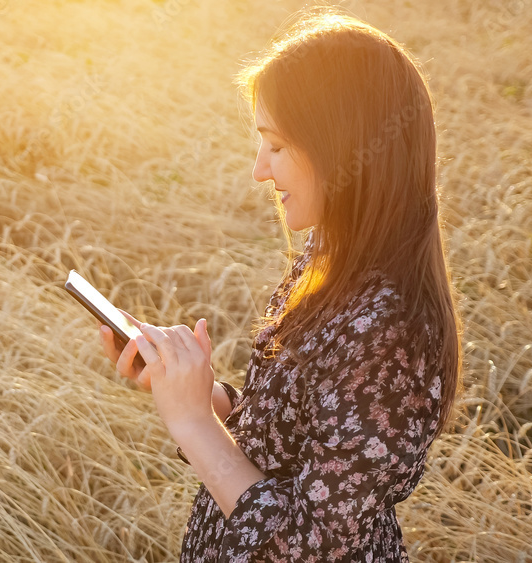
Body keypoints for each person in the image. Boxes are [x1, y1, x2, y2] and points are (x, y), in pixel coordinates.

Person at [97, 8, 463, 562]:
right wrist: (198, 392)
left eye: (276, 144)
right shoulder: (332, 258)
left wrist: (194, 423)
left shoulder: (389, 330)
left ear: (341, 147)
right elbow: (297, 442)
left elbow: (309, 546)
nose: (259, 170)